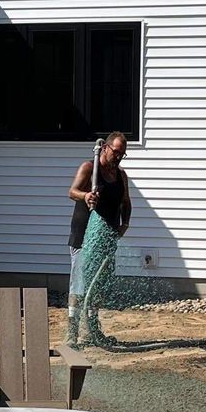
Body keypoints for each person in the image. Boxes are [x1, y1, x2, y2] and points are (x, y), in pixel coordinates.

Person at [66, 132, 132, 347]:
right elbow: (72, 191)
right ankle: (72, 334)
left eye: (122, 154)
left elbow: (126, 202)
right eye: (116, 152)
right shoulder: (89, 168)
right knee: (80, 285)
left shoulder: (121, 176)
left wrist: (125, 224)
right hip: (84, 236)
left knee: (98, 287)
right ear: (105, 147)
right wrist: (85, 196)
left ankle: (92, 331)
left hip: (106, 239)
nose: (118, 157)